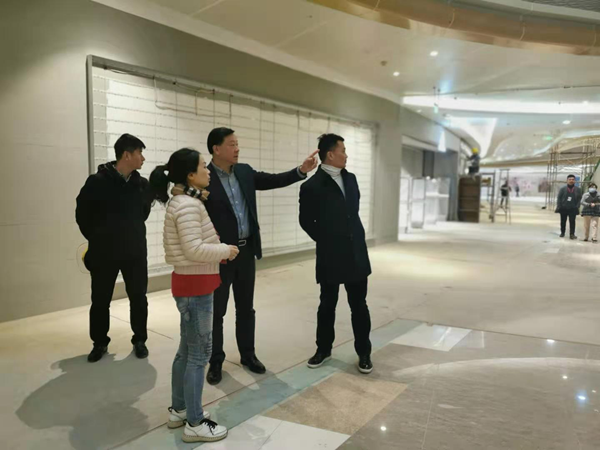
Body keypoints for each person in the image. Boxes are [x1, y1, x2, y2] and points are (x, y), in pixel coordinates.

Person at [201, 127, 319, 385]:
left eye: (237, 143)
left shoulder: (244, 171)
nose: (237, 148)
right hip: (220, 255)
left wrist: (301, 171)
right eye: (232, 144)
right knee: (217, 311)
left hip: (245, 251)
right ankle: (216, 360)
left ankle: (248, 355)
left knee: (246, 307)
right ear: (216, 149)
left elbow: (271, 180)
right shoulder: (204, 178)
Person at [150, 148, 238, 443]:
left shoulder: (184, 201)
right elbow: (193, 249)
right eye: (203, 166)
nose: (208, 171)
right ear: (190, 175)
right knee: (199, 355)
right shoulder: (188, 204)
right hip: (196, 286)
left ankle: (180, 409)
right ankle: (195, 423)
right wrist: (225, 250)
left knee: (187, 352)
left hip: (192, 283)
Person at [299, 133, 373, 374]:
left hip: (355, 252)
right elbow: (306, 221)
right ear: (330, 154)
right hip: (330, 254)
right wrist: (326, 239)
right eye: (343, 150)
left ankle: (364, 353)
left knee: (359, 305)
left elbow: (353, 211)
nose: (346, 155)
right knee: (327, 304)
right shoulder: (311, 186)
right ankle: (323, 350)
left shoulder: (350, 179)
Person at [76, 134, 153, 363]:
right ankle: (99, 342)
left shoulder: (142, 185)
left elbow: (143, 213)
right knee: (100, 300)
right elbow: (82, 214)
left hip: (135, 253)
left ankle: (140, 339)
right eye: (139, 153)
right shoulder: (97, 182)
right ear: (127, 155)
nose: (143, 158)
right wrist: (98, 238)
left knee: (138, 298)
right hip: (103, 254)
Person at [555, 174, 582, 239]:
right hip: (563, 208)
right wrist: (559, 206)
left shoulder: (578, 189)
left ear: (575, 181)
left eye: (573, 179)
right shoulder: (562, 189)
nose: (571, 181)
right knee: (563, 221)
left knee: (572, 222)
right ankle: (562, 233)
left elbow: (579, 199)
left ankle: (572, 234)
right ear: (567, 180)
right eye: (570, 179)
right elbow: (559, 198)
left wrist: (577, 206)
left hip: (573, 208)